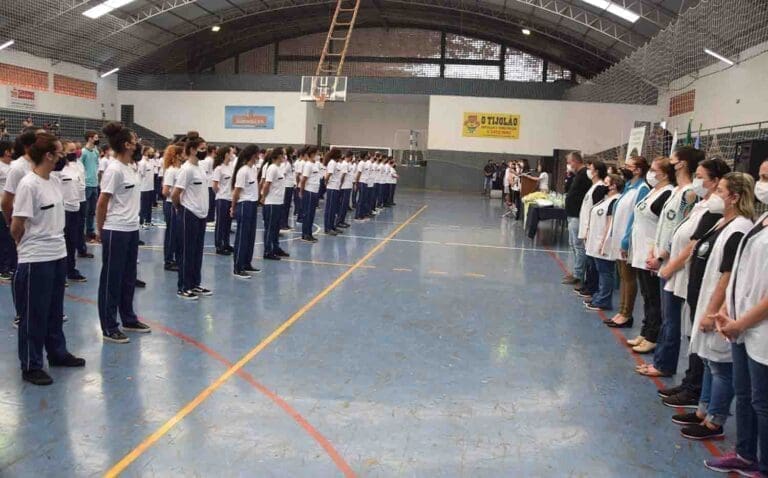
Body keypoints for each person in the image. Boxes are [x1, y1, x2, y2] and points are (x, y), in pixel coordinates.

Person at [678, 172, 755, 440]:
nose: (715, 195)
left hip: (719, 308)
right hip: (706, 300)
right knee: (710, 362)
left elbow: (727, 274)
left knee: (722, 367)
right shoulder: (723, 222)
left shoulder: (740, 228)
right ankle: (703, 410)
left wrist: (713, 312)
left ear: (734, 197)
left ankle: (715, 420)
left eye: (721, 190)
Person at [704, 159, 768, 476]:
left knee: (763, 403)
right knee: (744, 396)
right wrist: (728, 310)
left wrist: (740, 322)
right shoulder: (762, 220)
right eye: (761, 177)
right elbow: (743, 273)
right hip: (741, 326)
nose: (762, 184)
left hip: (758, 330)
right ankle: (745, 453)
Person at [11, 132, 85, 385]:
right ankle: (31, 364)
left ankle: (57, 352)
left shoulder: (54, 180)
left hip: (58, 254)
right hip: (36, 258)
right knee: (34, 313)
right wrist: (27, 248)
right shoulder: (28, 184)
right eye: (60, 152)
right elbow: (17, 225)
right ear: (48, 156)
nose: (65, 156)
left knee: (55, 310)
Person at [659, 158, 731, 405]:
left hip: (697, 281)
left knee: (696, 338)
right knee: (690, 335)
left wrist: (669, 266)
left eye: (702, 177)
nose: (698, 182)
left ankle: (695, 389)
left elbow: (694, 243)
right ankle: (691, 382)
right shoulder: (704, 206)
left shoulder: (717, 213)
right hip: (691, 281)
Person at [638, 146, 704, 378]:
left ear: (682, 164)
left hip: (671, 261)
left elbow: (679, 230)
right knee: (668, 317)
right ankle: (660, 361)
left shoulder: (689, 194)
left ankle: (665, 364)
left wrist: (661, 256)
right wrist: (652, 251)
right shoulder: (677, 191)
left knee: (671, 319)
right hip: (661, 257)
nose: (671, 163)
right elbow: (664, 228)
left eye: (673, 160)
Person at [95, 122, 151, 343]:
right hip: (115, 230)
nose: (138, 145)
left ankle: (128, 317)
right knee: (111, 279)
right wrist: (101, 231)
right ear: (127, 145)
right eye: (135, 141)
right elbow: (102, 203)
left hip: (131, 229)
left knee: (128, 277)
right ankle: (109, 325)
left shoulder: (131, 167)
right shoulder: (114, 169)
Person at [625, 157, 675, 354]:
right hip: (640, 251)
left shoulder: (668, 193)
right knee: (647, 296)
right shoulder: (653, 190)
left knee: (654, 298)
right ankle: (645, 331)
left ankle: (653, 336)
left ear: (663, 173)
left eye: (654, 169)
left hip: (652, 253)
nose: (650, 172)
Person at [604, 157, 651, 327]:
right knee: (623, 277)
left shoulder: (642, 189)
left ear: (638, 170)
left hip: (628, 239)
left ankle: (627, 313)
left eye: (628, 166)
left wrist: (626, 240)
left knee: (629, 277)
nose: (624, 168)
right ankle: (621, 311)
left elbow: (636, 217)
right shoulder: (628, 187)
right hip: (618, 237)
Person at [171, 133, 211, 300]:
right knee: (187, 252)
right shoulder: (186, 170)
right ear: (193, 150)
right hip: (189, 214)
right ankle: (184, 286)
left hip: (201, 215)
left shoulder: (200, 168)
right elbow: (175, 193)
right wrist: (180, 208)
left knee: (197, 251)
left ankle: (195, 283)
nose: (205, 151)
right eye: (202, 148)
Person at [583, 173, 624, 312]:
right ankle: (599, 295)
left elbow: (610, 223)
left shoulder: (615, 201)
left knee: (606, 272)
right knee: (599, 271)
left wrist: (604, 242)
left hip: (603, 242)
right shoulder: (605, 199)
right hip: (594, 241)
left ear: (613, 186)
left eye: (606, 183)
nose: (603, 186)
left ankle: (604, 300)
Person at [574, 160, 609, 301]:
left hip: (592, 230)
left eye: (591, 168)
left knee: (593, 262)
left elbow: (596, 211)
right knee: (590, 261)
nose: (588, 170)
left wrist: (589, 229)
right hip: (587, 228)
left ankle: (592, 288)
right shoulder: (593, 186)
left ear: (597, 171)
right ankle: (589, 285)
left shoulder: (599, 188)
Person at [230, 144, 260, 279]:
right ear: (253, 155)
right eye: (257, 154)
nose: (259, 156)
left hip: (253, 204)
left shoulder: (252, 169)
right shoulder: (243, 171)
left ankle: (247, 262)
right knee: (242, 237)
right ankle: (238, 266)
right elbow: (236, 192)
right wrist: (233, 207)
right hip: (244, 204)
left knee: (250, 236)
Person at [59, 141, 87, 283]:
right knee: (63, 242)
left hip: (76, 206)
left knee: (72, 241)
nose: (74, 152)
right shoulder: (59, 170)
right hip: (64, 209)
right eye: (70, 150)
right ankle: (60, 274)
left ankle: (71, 269)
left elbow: (80, 186)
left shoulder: (76, 166)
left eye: (75, 149)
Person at [563, 152, 592, 286]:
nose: (569, 165)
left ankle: (579, 274)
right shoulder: (576, 175)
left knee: (579, 245)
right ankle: (576, 271)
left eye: (569, 162)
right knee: (573, 244)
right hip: (572, 213)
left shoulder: (585, 174)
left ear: (575, 161)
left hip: (578, 215)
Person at [260, 148, 289, 260]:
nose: (285, 157)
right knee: (270, 228)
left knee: (276, 228)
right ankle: (267, 251)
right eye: (283, 155)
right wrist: (263, 197)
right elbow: (266, 185)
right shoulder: (272, 168)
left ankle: (276, 247)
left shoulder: (279, 168)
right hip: (271, 202)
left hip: (278, 202)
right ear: (278, 156)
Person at [161, 145, 183, 271]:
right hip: (171, 204)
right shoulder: (171, 170)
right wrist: (175, 197)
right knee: (171, 233)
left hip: (178, 204)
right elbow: (165, 191)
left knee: (176, 234)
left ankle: (174, 258)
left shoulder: (180, 169)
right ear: (177, 156)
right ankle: (168, 260)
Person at [212, 145, 234, 255]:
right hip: (222, 198)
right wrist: (220, 193)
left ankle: (226, 243)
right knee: (221, 223)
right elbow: (214, 185)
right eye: (231, 153)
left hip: (230, 198)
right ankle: (219, 245)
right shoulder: (218, 168)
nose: (233, 155)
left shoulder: (231, 167)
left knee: (228, 223)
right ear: (226, 154)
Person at [80, 131, 100, 242]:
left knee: (92, 210)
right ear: (90, 138)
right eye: (95, 138)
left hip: (94, 183)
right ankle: (82, 232)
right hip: (86, 184)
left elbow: (96, 165)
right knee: (85, 210)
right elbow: (80, 167)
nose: (97, 139)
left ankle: (90, 231)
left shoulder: (96, 152)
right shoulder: (83, 152)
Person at [0, 140, 15, 280]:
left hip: (13, 207)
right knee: (3, 238)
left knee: (10, 238)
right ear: (6, 151)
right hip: (1, 208)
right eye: (11, 149)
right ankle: (2, 268)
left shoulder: (12, 165)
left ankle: (10, 265)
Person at [300, 146, 322, 241]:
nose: (318, 155)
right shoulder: (308, 165)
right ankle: (305, 234)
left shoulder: (315, 164)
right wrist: (301, 191)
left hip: (315, 191)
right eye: (317, 153)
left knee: (312, 214)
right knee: (307, 214)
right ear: (312, 154)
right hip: (309, 191)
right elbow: (303, 180)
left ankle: (309, 233)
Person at [322, 148, 344, 236]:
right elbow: (328, 174)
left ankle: (332, 226)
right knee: (330, 209)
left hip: (336, 187)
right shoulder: (331, 163)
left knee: (334, 208)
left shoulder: (336, 163)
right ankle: (327, 228)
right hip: (331, 188)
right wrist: (326, 183)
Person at [138, 146, 155, 228]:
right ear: (145, 152)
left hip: (150, 187)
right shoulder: (142, 163)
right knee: (143, 206)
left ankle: (148, 221)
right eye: (150, 152)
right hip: (143, 188)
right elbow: (141, 175)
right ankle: (141, 222)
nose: (152, 153)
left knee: (149, 206)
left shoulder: (151, 162)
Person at [279, 146, 296, 232]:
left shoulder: (290, 162)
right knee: (285, 206)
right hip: (286, 185)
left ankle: (285, 223)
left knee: (288, 206)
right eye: (293, 152)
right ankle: (282, 224)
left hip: (290, 185)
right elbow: (284, 173)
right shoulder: (287, 163)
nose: (295, 153)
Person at [337, 151, 354, 228]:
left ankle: (342, 220)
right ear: (350, 156)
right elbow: (343, 176)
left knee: (345, 205)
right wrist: (340, 185)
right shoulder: (344, 164)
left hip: (348, 186)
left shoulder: (348, 164)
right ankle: (339, 221)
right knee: (343, 205)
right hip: (344, 187)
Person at [201, 144, 216, 222]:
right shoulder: (207, 160)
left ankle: (211, 217)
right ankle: (208, 218)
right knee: (209, 201)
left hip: (212, 183)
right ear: (213, 150)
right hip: (208, 184)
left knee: (212, 202)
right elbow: (205, 172)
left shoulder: (213, 159)